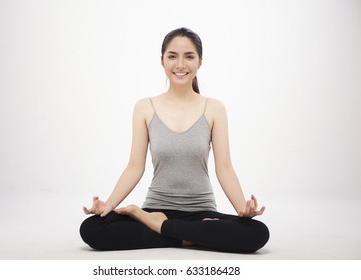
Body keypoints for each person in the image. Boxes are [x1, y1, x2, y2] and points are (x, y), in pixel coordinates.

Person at [80, 27, 269, 253]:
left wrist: (242, 211)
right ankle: (191, 235)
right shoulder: (144, 107)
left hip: (202, 213)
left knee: (257, 233)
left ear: (200, 61)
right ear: (162, 61)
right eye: (172, 56)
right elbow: (134, 166)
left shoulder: (214, 109)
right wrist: (108, 206)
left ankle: (160, 227)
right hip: (155, 207)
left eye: (189, 56)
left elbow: (225, 167)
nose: (180, 64)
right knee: (91, 228)